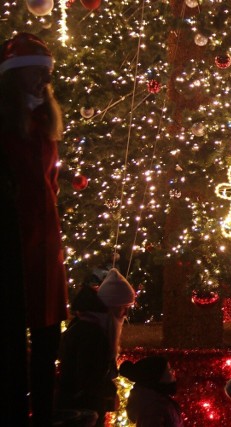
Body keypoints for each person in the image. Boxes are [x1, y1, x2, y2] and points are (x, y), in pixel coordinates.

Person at [0, 32, 68, 426]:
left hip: (45, 242)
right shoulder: (6, 125)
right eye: (36, 73)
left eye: (47, 73)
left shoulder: (44, 121)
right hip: (14, 240)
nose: (44, 81)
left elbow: (49, 183)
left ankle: (44, 412)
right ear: (14, 77)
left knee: (47, 332)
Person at [57, 268, 136, 425]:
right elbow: (87, 378)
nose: (125, 314)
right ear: (111, 307)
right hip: (81, 410)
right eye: (123, 308)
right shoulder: (92, 333)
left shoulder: (86, 325)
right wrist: (108, 393)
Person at [119, 356, 184, 427]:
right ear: (156, 376)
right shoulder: (154, 408)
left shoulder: (157, 401)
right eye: (168, 370)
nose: (173, 372)